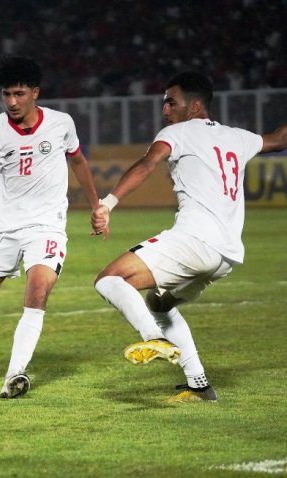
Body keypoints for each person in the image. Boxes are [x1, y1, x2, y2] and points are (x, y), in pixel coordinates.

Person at [92, 71, 287, 403]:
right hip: (224, 256)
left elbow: (146, 163)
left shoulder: (177, 132)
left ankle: (154, 338)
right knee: (158, 304)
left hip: (194, 241)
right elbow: (280, 139)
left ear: (195, 106)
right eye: (164, 102)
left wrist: (108, 203)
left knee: (109, 279)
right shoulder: (237, 136)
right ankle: (198, 385)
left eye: (171, 101)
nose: (165, 108)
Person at [0, 56, 101, 398]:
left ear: (35, 92)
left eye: (19, 94)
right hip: (4, 228)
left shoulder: (61, 123)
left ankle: (14, 375)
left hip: (47, 226)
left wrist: (95, 205)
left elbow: (78, 161)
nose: (12, 102)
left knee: (38, 293)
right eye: (6, 95)